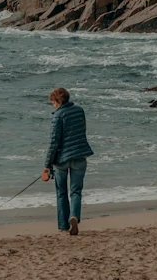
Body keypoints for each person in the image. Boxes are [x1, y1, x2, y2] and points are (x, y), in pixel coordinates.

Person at [42, 87, 94, 235]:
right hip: (80, 156)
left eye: (52, 102)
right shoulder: (79, 110)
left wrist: (46, 165)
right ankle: (74, 216)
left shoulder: (58, 115)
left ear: (57, 101)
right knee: (76, 191)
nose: (52, 105)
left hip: (62, 160)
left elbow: (54, 142)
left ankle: (63, 225)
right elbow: (82, 131)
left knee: (61, 193)